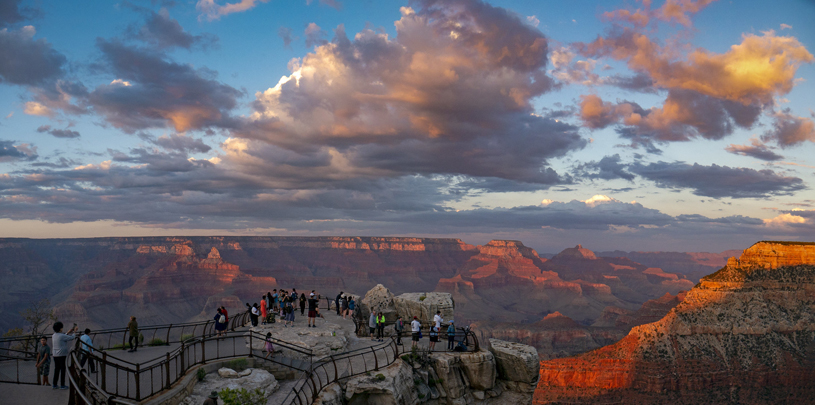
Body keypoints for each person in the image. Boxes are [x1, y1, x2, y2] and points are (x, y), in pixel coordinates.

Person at [52, 321, 78, 389]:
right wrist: (74, 332)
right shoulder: (62, 336)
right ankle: (62, 385)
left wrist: (68, 332)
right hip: (62, 355)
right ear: (60, 328)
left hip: (55, 355)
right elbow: (71, 338)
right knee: (63, 369)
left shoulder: (54, 335)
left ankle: (54, 384)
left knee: (57, 369)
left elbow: (63, 337)